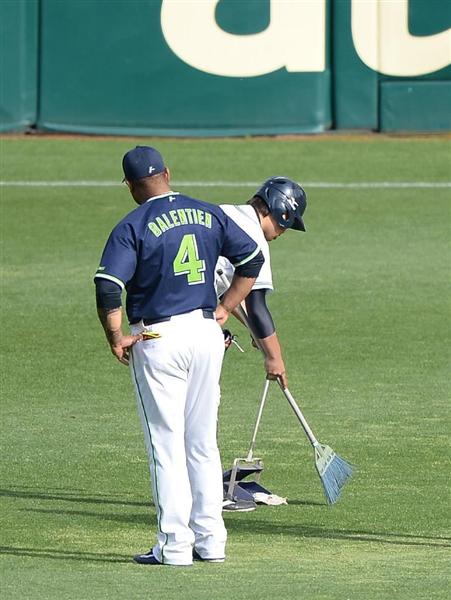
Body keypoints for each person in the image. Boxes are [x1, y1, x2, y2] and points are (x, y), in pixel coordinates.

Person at [94, 146, 264, 567]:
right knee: (203, 443)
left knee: (166, 446)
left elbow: (108, 286)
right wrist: (224, 308)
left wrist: (115, 336)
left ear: (131, 186)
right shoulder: (208, 212)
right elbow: (252, 259)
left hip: (159, 337)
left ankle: (174, 548)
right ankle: (212, 542)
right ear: (168, 173)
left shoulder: (132, 224)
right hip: (207, 334)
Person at [216, 176, 307, 390]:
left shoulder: (222, 211)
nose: (284, 232)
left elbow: (224, 288)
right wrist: (274, 358)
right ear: (282, 212)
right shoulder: (254, 236)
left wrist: (257, 333)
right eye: (288, 224)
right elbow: (256, 306)